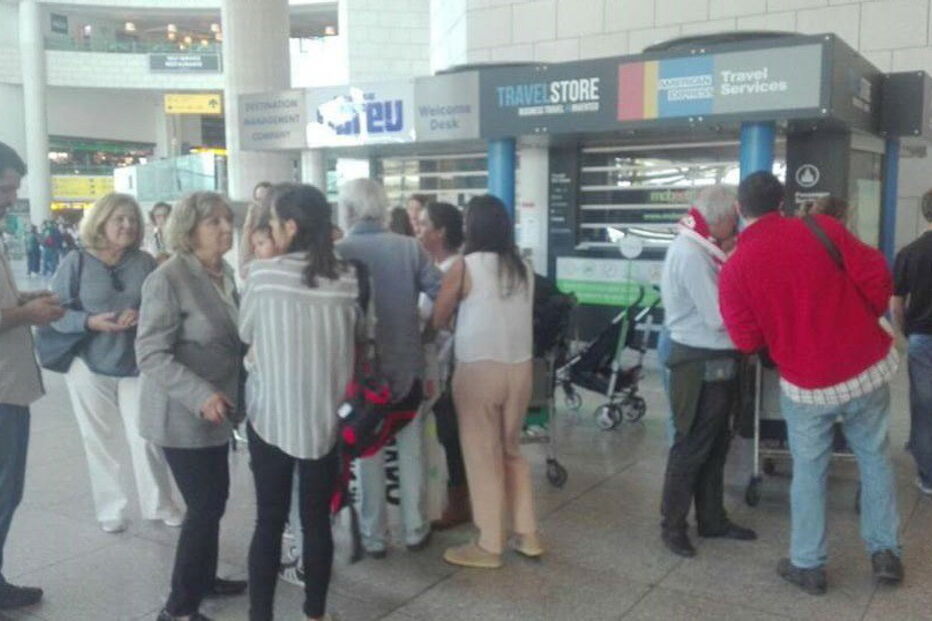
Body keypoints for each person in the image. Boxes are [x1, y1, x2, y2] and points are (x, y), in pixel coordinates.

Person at [719, 171, 902, 595]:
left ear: (739, 210)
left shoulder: (735, 268)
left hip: (806, 384)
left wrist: (781, 338)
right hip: (865, 369)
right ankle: (886, 554)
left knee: (809, 470)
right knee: (874, 458)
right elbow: (878, 274)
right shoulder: (822, 228)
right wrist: (861, 317)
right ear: (782, 203)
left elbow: (746, 339)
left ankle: (808, 565)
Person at [240, 184, 357, 621]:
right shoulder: (348, 277)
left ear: (289, 226)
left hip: (270, 414)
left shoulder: (263, 275)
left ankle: (261, 615)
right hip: (324, 419)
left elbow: (244, 332)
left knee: (269, 520)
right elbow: (362, 336)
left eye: (273, 222)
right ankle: (315, 614)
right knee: (316, 521)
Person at [136, 191, 247, 621]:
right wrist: (200, 395)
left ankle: (204, 579)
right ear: (189, 229)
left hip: (218, 413)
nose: (226, 228)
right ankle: (179, 608)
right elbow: (150, 354)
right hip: (181, 415)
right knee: (203, 507)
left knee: (214, 501)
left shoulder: (225, 274)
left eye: (227, 219)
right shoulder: (168, 278)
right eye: (213, 222)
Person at [48, 193, 182, 534]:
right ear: (101, 222)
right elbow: (54, 311)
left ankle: (160, 503)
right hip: (87, 363)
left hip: (136, 362)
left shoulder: (145, 262)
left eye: (132, 219)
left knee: (146, 436)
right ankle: (111, 508)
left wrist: (141, 314)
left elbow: (163, 305)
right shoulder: (76, 261)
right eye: (119, 219)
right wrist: (89, 322)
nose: (127, 225)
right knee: (99, 438)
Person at [431, 194, 542, 569]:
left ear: (472, 228)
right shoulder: (524, 268)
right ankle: (527, 534)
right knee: (512, 451)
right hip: (520, 369)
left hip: (479, 369)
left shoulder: (465, 266)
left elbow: (438, 316)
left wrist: (441, 327)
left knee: (482, 455)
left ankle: (489, 544)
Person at [336, 179, 442, 558]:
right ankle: (415, 529)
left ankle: (374, 536)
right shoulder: (409, 248)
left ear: (348, 210)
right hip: (408, 367)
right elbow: (441, 290)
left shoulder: (339, 252)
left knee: (368, 452)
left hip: (360, 376)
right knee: (412, 450)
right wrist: (427, 331)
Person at [657, 186, 756, 558]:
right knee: (692, 445)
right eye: (735, 219)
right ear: (723, 219)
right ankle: (673, 525)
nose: (737, 226)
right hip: (698, 362)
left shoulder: (702, 247)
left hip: (715, 359)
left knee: (715, 444)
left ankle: (712, 519)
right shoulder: (691, 253)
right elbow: (717, 316)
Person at [0, 141, 65, 611]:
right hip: (1, 390)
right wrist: (27, 315)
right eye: (5, 189)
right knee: (4, 489)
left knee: (8, 489)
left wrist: (23, 300)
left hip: (10, 384)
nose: (11, 199)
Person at [417, 202, 471, 530]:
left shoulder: (454, 269)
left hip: (448, 366)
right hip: (437, 365)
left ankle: (459, 502)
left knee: (451, 436)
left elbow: (440, 320)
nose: (418, 229)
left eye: (424, 224)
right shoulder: (434, 266)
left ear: (441, 232)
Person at [891, 189, 932, 496]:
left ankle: (928, 475)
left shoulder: (909, 252)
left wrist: (904, 332)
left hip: (921, 337)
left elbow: (896, 303)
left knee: (923, 404)